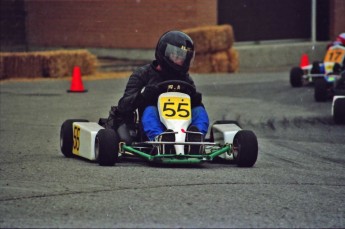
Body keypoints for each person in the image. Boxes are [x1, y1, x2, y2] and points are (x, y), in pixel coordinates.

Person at [105, 30, 209, 154]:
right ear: (164, 52)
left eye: (182, 57)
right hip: (148, 123)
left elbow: (193, 107)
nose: (179, 60)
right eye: (176, 56)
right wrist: (143, 96)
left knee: (199, 111)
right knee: (151, 110)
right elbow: (123, 106)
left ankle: (195, 139)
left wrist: (195, 100)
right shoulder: (142, 74)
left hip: (180, 125)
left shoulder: (185, 78)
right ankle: (160, 140)